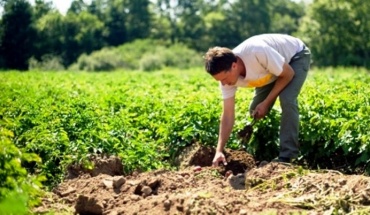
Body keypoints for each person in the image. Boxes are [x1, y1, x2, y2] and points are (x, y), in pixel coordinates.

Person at [203, 34, 311, 166]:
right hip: (272, 70)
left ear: (234, 66)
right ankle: (262, 151)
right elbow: (227, 115)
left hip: (294, 58)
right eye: (219, 81)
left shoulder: (256, 52)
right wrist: (219, 151)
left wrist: (266, 102)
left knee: (287, 99)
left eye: (224, 79)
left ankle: (287, 157)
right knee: (255, 111)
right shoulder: (225, 79)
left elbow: (288, 74)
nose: (224, 84)